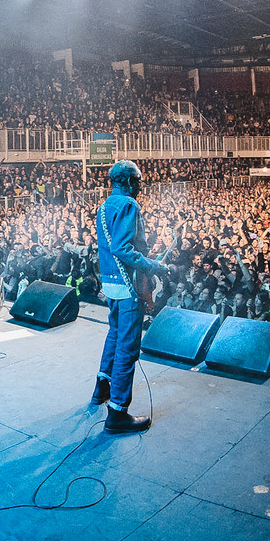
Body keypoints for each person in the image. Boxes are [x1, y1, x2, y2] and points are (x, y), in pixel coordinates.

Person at [90, 160, 169, 434]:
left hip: (110, 282)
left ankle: (102, 388)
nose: (140, 186)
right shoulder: (128, 205)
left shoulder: (104, 206)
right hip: (128, 285)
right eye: (138, 181)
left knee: (114, 334)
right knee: (127, 346)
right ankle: (118, 412)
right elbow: (122, 249)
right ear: (128, 181)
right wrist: (153, 265)